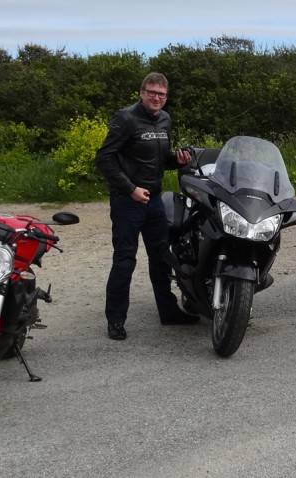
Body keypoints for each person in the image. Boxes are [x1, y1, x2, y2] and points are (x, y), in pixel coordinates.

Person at [94, 72, 199, 341]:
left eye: (161, 94)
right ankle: (115, 321)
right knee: (125, 261)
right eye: (151, 92)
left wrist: (177, 160)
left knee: (162, 258)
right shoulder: (126, 118)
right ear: (141, 92)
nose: (156, 98)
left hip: (154, 201)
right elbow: (104, 158)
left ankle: (169, 312)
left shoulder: (164, 120)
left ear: (166, 97)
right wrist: (130, 189)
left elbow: (160, 159)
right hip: (127, 202)